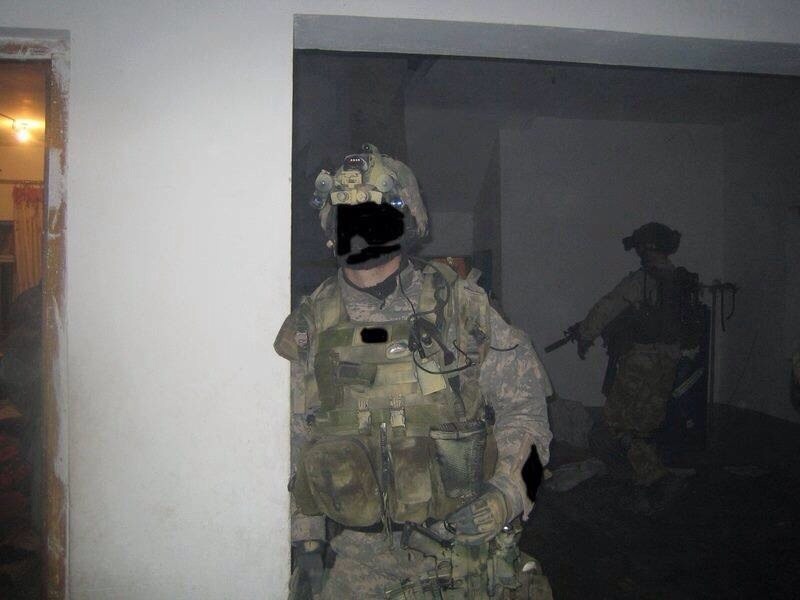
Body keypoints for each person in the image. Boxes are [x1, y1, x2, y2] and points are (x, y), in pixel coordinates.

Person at [275, 144, 553, 599]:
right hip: (355, 562)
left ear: (406, 221)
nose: (358, 226)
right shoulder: (310, 325)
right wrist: (306, 544)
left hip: (459, 553)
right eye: (345, 214)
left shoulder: (463, 307)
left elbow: (532, 419)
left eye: (372, 212)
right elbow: (295, 441)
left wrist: (508, 494)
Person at [575, 223, 702, 510]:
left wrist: (585, 334)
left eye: (641, 248)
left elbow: (608, 306)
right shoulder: (679, 280)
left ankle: (654, 476)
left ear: (648, 248)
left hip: (642, 360)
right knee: (645, 423)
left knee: (616, 419)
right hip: (670, 359)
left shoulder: (642, 281)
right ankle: (648, 481)